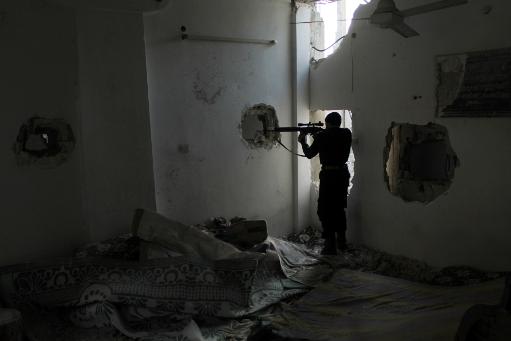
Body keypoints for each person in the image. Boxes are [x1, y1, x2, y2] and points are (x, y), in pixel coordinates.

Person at [298, 112, 352, 255]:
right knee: (339, 209)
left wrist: (303, 141)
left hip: (329, 176)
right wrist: (319, 136)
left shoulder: (323, 136)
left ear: (327, 123)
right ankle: (342, 243)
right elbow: (333, 140)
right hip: (342, 175)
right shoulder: (347, 133)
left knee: (325, 210)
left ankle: (330, 246)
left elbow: (309, 154)